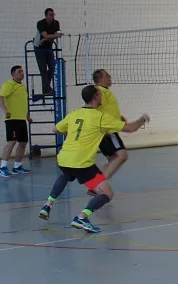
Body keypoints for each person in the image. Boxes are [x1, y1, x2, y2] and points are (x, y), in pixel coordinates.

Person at [37, 85, 149, 233]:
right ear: (96, 97)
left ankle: (47, 205)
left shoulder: (74, 114)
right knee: (107, 194)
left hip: (64, 159)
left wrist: (73, 133)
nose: (102, 97)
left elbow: (55, 129)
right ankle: (82, 217)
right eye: (100, 95)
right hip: (82, 164)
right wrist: (142, 119)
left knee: (66, 174)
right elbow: (130, 128)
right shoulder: (101, 117)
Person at [90, 70, 130, 191]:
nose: (110, 77)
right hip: (108, 131)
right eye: (107, 75)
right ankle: (96, 186)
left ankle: (95, 185)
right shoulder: (100, 91)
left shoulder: (104, 91)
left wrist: (118, 118)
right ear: (100, 79)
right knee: (121, 155)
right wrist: (101, 128)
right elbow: (93, 109)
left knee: (113, 159)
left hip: (106, 130)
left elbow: (105, 110)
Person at [0, 65, 31, 177]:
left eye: (22, 71)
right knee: (12, 141)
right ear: (13, 74)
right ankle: (2, 167)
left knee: (23, 142)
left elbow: (23, 103)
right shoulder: (9, 84)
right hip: (12, 119)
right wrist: (5, 111)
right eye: (19, 71)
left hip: (21, 119)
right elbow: (0, 97)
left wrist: (27, 116)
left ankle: (17, 166)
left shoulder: (23, 86)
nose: (22, 73)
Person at [33, 8, 62, 96]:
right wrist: (49, 37)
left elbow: (56, 36)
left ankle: (46, 87)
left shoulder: (56, 23)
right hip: (39, 48)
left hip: (48, 47)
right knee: (43, 69)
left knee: (52, 67)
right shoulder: (40, 23)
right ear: (46, 16)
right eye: (50, 15)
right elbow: (46, 35)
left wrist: (46, 39)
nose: (52, 16)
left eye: (53, 14)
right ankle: (46, 89)